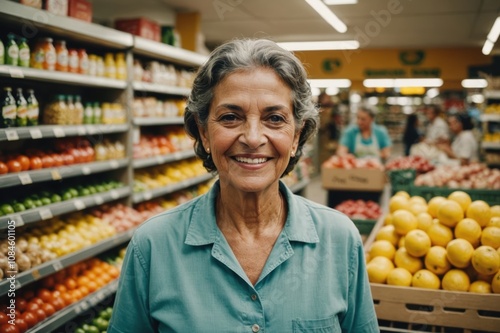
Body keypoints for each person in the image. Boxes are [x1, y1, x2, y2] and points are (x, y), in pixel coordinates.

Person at [108, 39, 378, 332]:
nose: (252, 138)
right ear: (204, 133)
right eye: (230, 117)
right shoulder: (153, 246)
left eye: (274, 118)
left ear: (297, 136)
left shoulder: (339, 240)